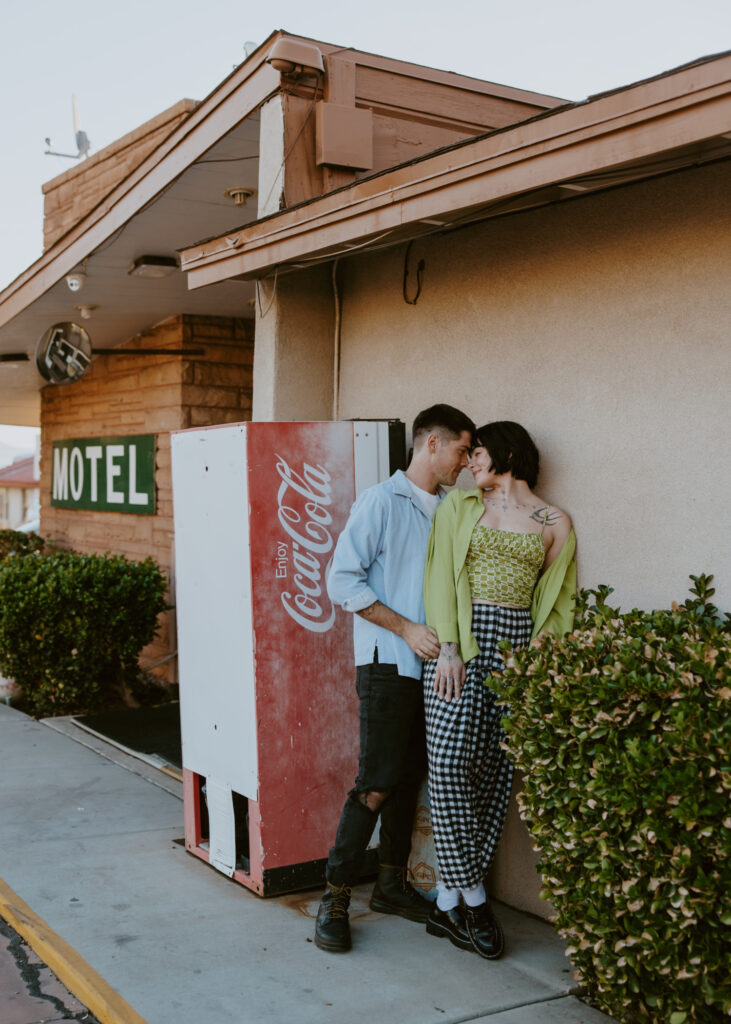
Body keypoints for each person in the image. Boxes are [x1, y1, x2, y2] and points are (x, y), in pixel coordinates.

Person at [314, 404, 476, 954]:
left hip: (436, 672)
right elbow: (342, 581)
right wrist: (406, 628)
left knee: (410, 780)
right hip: (388, 662)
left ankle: (390, 885)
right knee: (378, 782)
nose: (465, 462)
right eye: (460, 450)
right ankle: (334, 897)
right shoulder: (381, 502)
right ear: (431, 444)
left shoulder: (454, 507)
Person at [422, 421, 576, 960]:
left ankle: (445, 903)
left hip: (515, 656)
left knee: (493, 773)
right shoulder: (459, 509)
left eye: (478, 452)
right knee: (447, 766)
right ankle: (475, 896)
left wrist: (533, 666)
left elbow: (557, 603)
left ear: (507, 453)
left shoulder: (555, 522)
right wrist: (448, 648)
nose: (470, 463)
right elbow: (440, 578)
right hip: (458, 652)